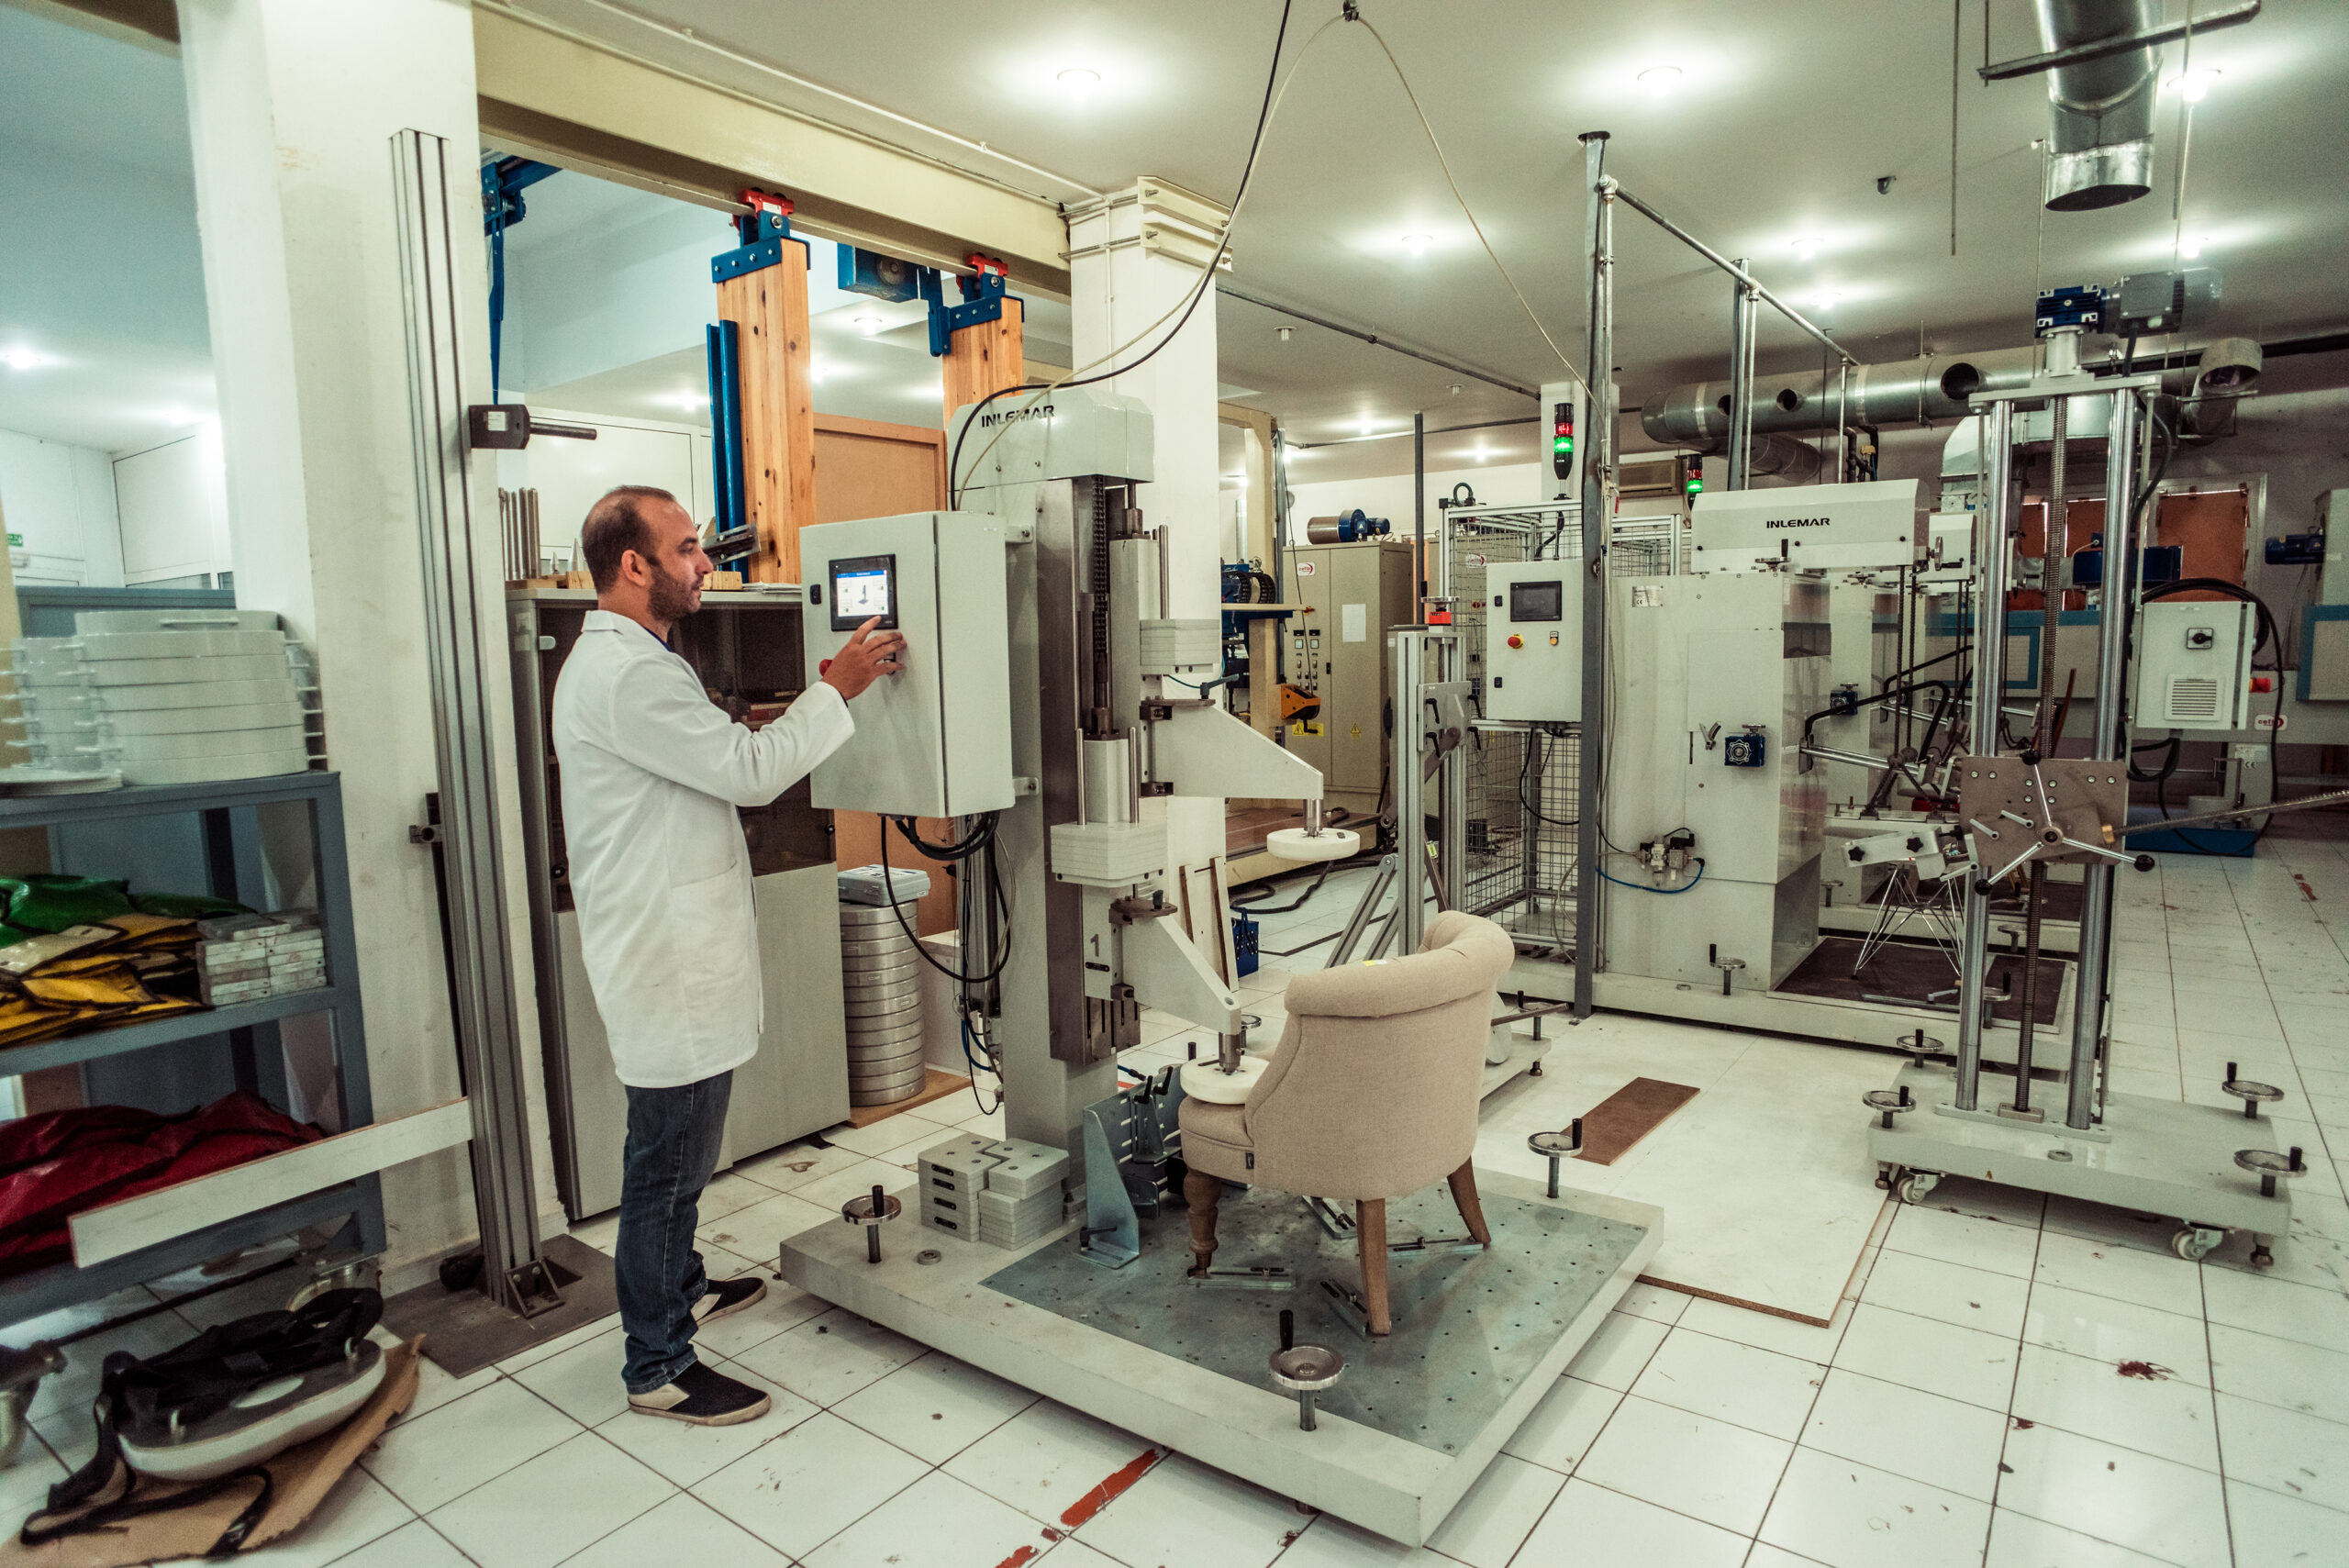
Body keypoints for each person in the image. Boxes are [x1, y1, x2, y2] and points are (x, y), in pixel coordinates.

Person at [551, 484, 903, 1425]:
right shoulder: (628, 675)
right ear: (634, 565)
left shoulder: (635, 662)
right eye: (687, 548)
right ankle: (657, 1363)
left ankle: (684, 1284)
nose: (706, 562)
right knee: (666, 1164)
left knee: (679, 1151)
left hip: (670, 949)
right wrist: (837, 689)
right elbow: (749, 771)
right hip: (665, 962)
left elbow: (714, 758)